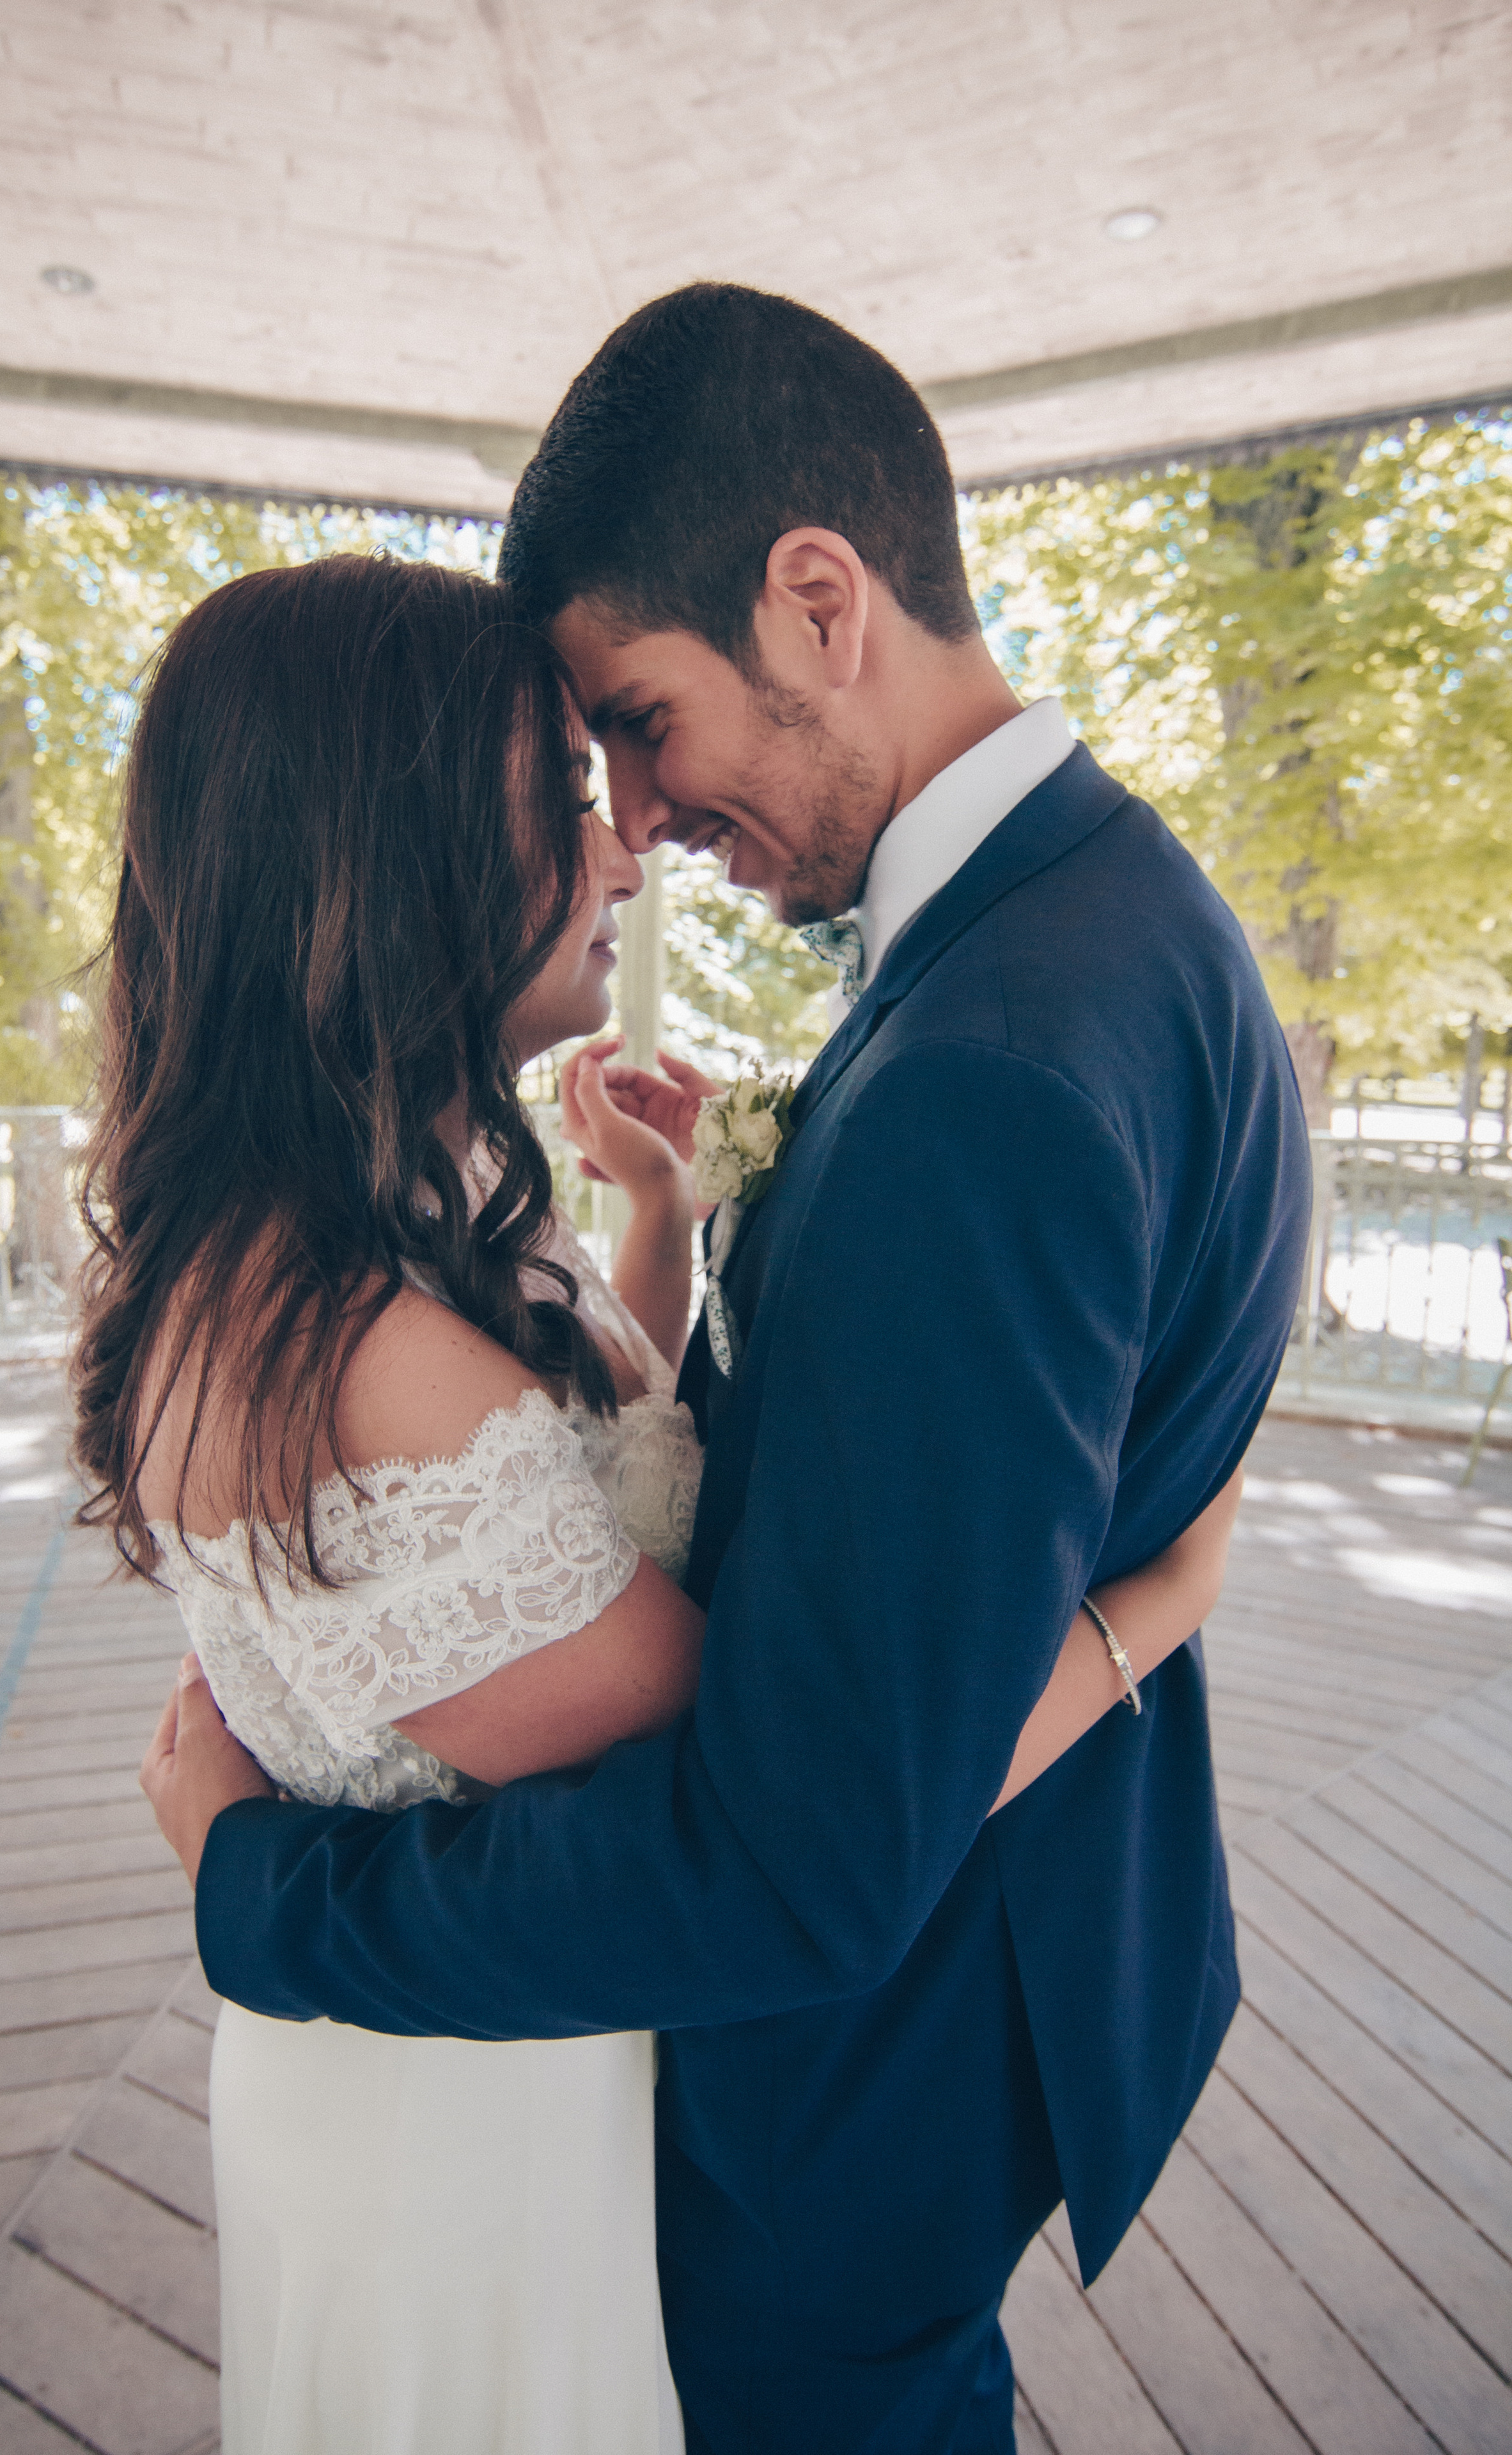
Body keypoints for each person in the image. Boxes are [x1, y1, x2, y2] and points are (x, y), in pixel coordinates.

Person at [80, 549, 1242, 2455]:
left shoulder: (353, 1246)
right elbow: (788, 1793)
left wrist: (653, 1234)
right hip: (477, 2130)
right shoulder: (348, 1346)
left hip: (533, 2075)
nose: (629, 846)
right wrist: (1147, 1613)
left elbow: (549, 1502)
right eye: (569, 786)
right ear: (404, 845)